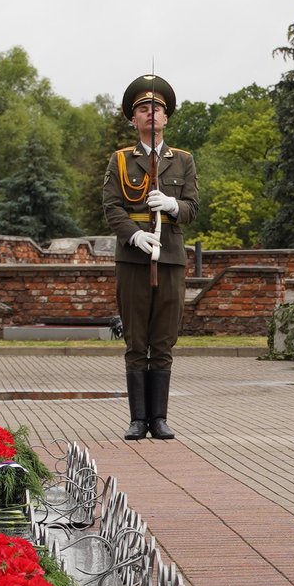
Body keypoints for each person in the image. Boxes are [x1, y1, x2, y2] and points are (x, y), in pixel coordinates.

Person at [102, 74, 198, 441]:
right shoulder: (121, 160)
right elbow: (111, 207)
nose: (151, 114)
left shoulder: (183, 161)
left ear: (167, 116)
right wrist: (135, 234)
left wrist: (174, 205)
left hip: (170, 258)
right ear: (133, 118)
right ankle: (136, 419)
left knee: (163, 340)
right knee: (135, 340)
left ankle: (159, 419)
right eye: (144, 109)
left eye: (157, 108)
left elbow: (193, 207)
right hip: (133, 259)